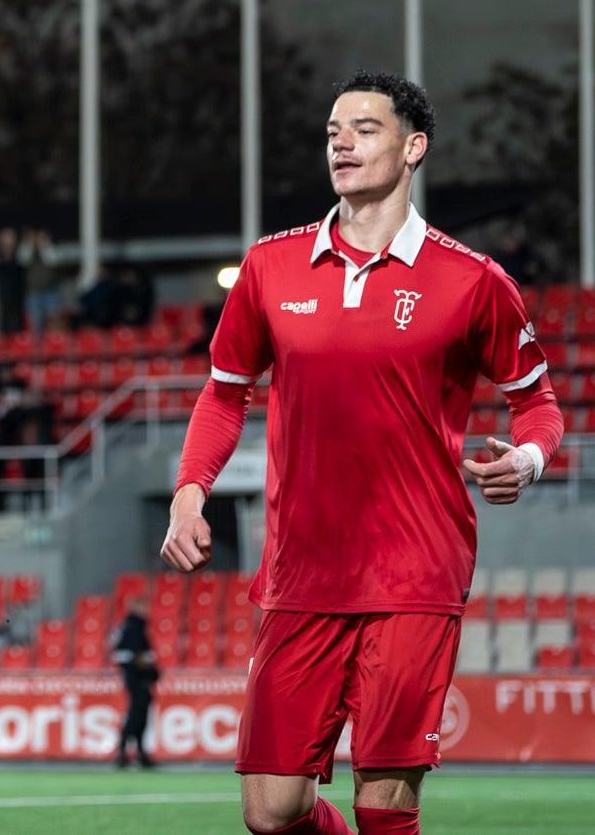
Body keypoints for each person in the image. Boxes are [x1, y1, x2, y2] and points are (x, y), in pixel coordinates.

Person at [162, 71, 562, 835]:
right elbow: (223, 393)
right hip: (300, 573)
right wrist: (189, 490)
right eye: (332, 131)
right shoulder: (269, 267)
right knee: (271, 813)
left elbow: (537, 402)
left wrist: (528, 459)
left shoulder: (474, 281)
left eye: (365, 128)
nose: (341, 142)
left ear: (415, 148)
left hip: (415, 570)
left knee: (387, 800)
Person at [109, 597, 157, 770]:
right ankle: (125, 752)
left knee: (140, 716)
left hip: (138, 677)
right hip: (137, 678)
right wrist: (149, 670)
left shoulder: (134, 626)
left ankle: (138, 752)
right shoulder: (131, 627)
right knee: (136, 716)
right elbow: (131, 655)